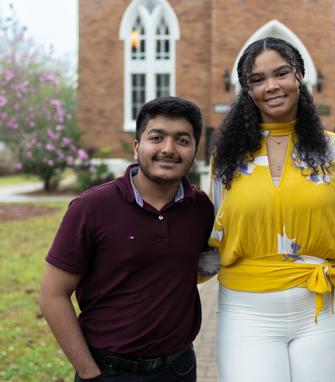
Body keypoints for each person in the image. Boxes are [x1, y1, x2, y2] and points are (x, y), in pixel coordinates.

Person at [209, 37, 335, 382]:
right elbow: (215, 233)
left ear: (299, 77)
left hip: (327, 308)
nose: (272, 86)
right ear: (247, 89)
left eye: (281, 73)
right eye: (258, 79)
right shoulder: (227, 158)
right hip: (245, 310)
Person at [39, 96, 214, 382]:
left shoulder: (201, 208)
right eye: (156, 137)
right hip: (108, 370)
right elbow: (52, 296)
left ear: (195, 150)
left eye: (182, 140)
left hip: (179, 368)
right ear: (137, 146)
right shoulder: (91, 207)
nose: (168, 149)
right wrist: (89, 372)